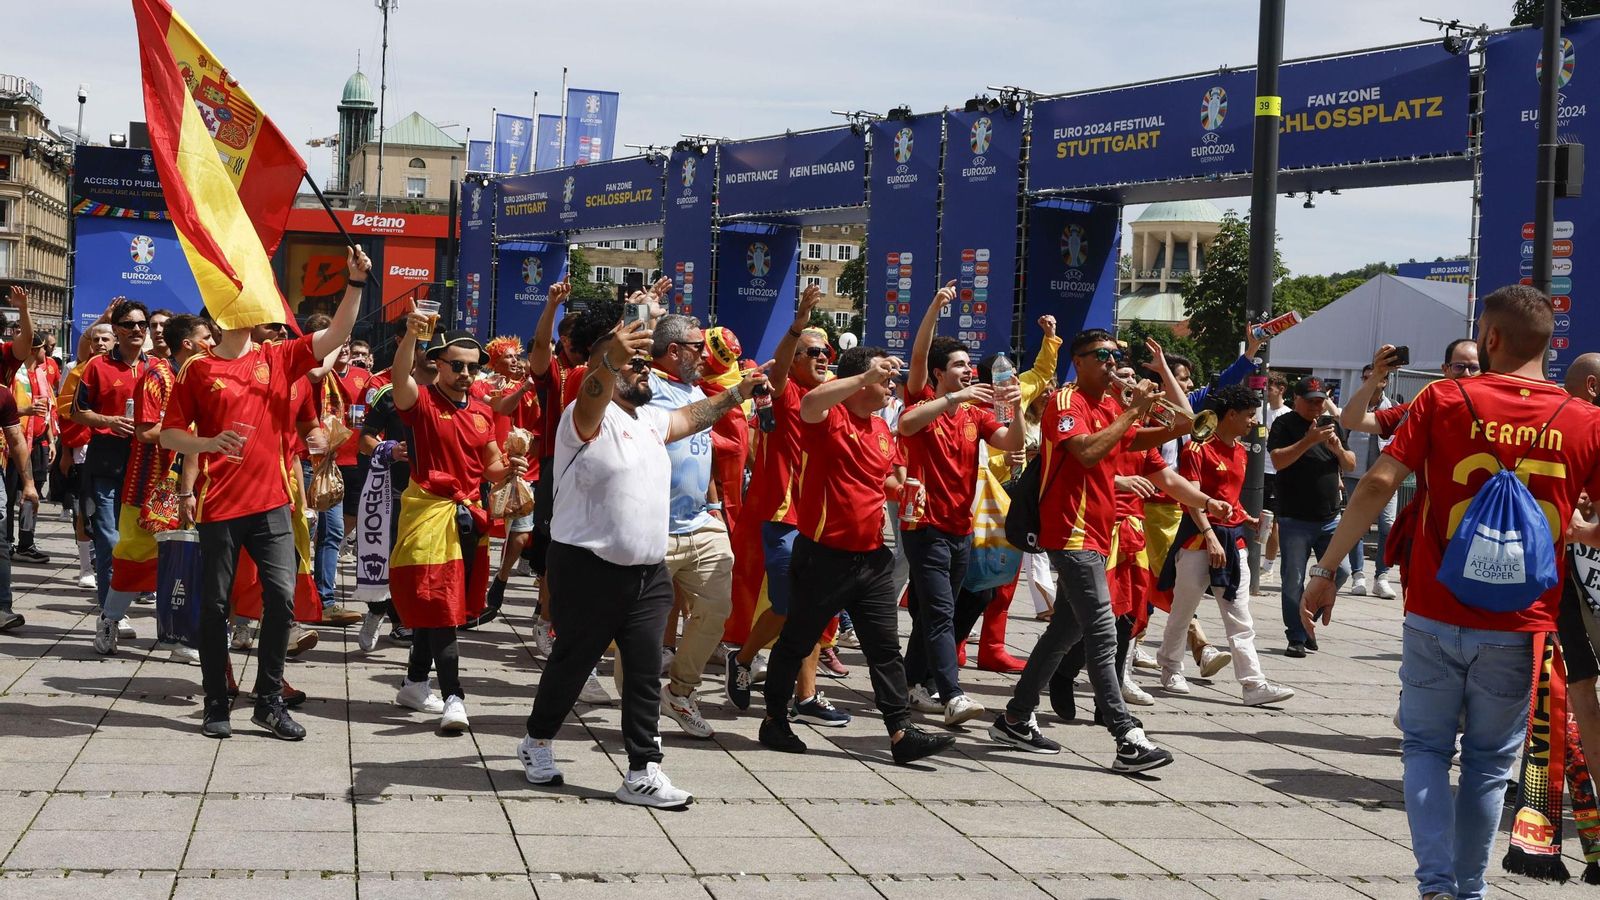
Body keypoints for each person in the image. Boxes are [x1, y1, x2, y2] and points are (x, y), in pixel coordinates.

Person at [1303, 285, 1600, 900]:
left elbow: (1378, 482)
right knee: (1491, 766)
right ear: (1549, 345)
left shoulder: (1444, 397)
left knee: (1426, 749)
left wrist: (1328, 571)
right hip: (1522, 624)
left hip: (1436, 610)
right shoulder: (1585, 420)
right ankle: (1469, 891)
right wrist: (1583, 528)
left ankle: (1437, 885)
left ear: (1490, 338)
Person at [517, 299, 766, 808]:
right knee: (571, 663)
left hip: (647, 573)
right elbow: (593, 388)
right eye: (634, 362)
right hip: (587, 567)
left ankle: (642, 769)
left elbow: (692, 416)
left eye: (642, 361)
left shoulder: (647, 420)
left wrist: (737, 392)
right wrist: (609, 359)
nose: (643, 367)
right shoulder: (584, 415)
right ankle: (537, 740)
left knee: (645, 670)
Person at [986, 329, 1230, 772]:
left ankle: (1015, 718)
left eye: (1116, 355)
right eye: (1102, 355)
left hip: (1099, 536)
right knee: (1102, 632)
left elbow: (1180, 428)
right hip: (1072, 535)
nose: (1112, 362)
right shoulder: (1067, 401)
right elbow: (1084, 452)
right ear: (1077, 361)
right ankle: (1125, 736)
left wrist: (1157, 395)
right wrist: (1133, 409)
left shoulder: (1112, 407)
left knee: (1065, 632)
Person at [161, 246, 370, 741]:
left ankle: (268, 700)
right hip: (220, 506)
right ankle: (216, 700)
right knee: (213, 605)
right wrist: (208, 443)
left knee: (281, 599)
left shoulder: (279, 358)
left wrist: (356, 284)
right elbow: (169, 434)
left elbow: (336, 335)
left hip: (274, 502)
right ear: (224, 312)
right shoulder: (198, 369)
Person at [755, 345, 956, 765]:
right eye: (882, 377)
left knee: (884, 649)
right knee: (796, 641)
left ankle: (901, 732)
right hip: (824, 557)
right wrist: (866, 376)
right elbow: (810, 401)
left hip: (871, 559)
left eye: (887, 378)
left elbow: (881, 481)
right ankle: (774, 719)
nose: (889, 384)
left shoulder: (881, 430)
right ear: (858, 380)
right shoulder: (828, 418)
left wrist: (903, 490)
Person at [387, 320, 519, 734]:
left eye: (472, 368)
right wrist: (412, 334)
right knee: (442, 605)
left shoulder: (481, 412)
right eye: (457, 367)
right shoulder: (421, 402)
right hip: (428, 513)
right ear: (438, 365)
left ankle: (413, 683)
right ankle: (454, 697)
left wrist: (510, 467)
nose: (466, 375)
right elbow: (398, 377)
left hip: (468, 515)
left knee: (445, 605)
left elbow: (491, 465)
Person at [896, 334, 1023, 727]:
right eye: (959, 365)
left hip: (960, 527)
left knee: (936, 615)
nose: (969, 370)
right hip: (924, 523)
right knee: (940, 614)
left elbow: (1011, 441)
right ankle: (951, 694)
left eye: (969, 365)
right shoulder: (924, 403)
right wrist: (952, 399)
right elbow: (905, 425)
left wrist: (1015, 407)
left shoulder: (976, 413)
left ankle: (908, 683)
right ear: (939, 373)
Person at [725, 285, 831, 723]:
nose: (823, 357)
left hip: (820, 522)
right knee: (792, 606)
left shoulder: (832, 400)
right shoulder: (787, 396)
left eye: (826, 351)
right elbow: (783, 366)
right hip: (782, 517)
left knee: (813, 609)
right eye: (814, 352)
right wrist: (796, 327)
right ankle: (744, 658)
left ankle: (805, 696)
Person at [1156, 385, 1296, 706]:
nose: (1253, 423)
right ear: (1230, 414)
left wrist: (1249, 518)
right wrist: (1208, 535)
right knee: (1183, 609)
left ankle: (1253, 684)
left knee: (1239, 615)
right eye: (1249, 416)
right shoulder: (1196, 449)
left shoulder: (1242, 451)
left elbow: (1230, 501)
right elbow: (1192, 499)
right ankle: (1170, 666)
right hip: (1197, 539)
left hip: (1234, 543)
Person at [94, 314, 211, 659]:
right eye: (207, 337)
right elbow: (145, 431)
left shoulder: (204, 374)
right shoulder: (157, 376)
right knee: (135, 557)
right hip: (149, 485)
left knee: (188, 558)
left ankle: (178, 634)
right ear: (187, 343)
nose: (213, 344)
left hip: (191, 483)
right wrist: (189, 429)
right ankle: (110, 619)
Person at [646, 315, 737, 739]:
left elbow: (703, 457)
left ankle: (680, 692)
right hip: (652, 527)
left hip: (700, 521)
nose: (705, 353)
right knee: (642, 624)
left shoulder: (697, 389)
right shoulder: (646, 387)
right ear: (673, 350)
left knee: (717, 608)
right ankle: (641, 704)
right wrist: (643, 316)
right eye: (697, 346)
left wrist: (715, 506)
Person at [72, 299, 152, 619]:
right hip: (106, 461)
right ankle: (110, 615)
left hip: (146, 464)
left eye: (141, 325)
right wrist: (109, 421)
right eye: (129, 324)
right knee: (108, 539)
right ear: (116, 330)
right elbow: (77, 412)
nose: (137, 330)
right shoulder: (97, 365)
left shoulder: (156, 368)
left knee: (139, 541)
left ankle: (123, 605)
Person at [1267, 376, 1353, 657]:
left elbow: (1350, 464)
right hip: (1295, 518)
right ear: (1297, 399)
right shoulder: (1284, 424)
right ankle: (1296, 636)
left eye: (1320, 401)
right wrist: (1308, 440)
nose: (1317, 406)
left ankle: (1307, 620)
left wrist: (1337, 449)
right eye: (1311, 401)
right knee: (1293, 578)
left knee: (1341, 571)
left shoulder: (1332, 423)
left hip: (1329, 517)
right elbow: (1279, 461)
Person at [475, 334, 538, 626]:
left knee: (522, 534)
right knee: (480, 533)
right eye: (509, 357)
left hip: (521, 468)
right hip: (487, 467)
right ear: (495, 360)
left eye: (516, 356)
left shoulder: (529, 388)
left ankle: (500, 579)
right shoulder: (481, 385)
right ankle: (473, 591)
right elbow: (501, 407)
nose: (515, 361)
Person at [0, 356, 40, 631]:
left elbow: (16, 439)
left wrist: (29, 483)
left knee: (0, 540)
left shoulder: (2, 395)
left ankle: (2, 608)